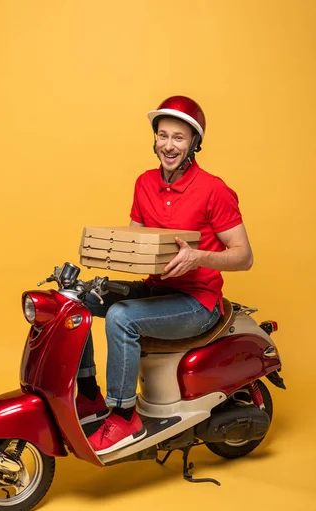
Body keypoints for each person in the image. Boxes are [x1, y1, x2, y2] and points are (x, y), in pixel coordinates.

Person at [75, 95, 253, 455]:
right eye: (163, 135)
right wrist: (109, 251)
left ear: (194, 144)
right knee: (76, 298)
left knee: (121, 318)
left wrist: (197, 257)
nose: (168, 145)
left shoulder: (213, 190)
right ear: (154, 138)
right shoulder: (144, 183)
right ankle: (89, 395)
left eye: (179, 138)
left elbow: (244, 256)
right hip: (156, 292)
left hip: (197, 302)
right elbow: (137, 240)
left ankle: (124, 415)